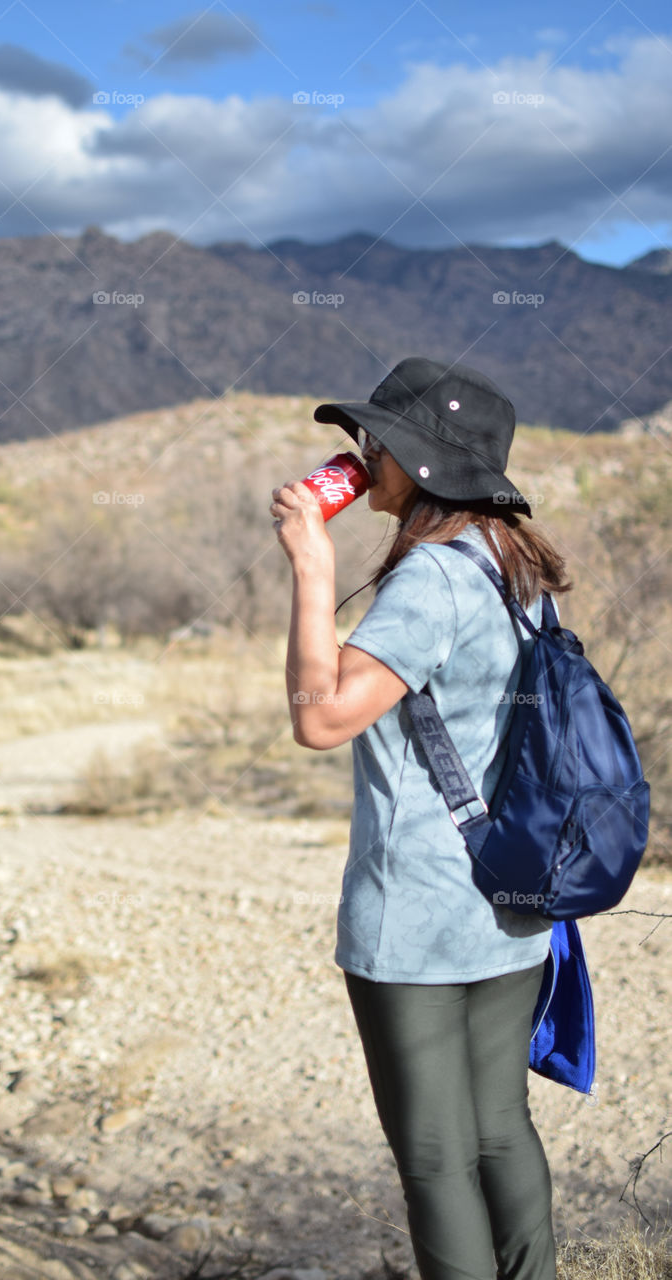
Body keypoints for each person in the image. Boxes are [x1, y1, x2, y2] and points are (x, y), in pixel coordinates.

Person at [269, 357, 569, 1280]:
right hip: (510, 895)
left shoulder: (430, 583)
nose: (361, 454)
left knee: (437, 1161)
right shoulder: (517, 570)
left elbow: (320, 718)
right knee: (499, 1134)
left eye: (377, 441)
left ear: (428, 464)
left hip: (417, 919)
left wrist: (311, 566)